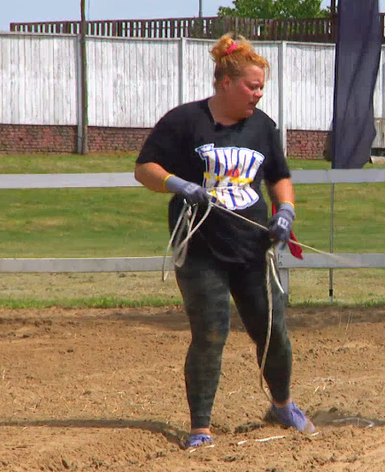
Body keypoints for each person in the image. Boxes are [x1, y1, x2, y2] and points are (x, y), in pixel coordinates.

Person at [134, 33, 315, 449]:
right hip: (200, 250)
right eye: (252, 86)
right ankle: (200, 427)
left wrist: (285, 211)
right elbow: (144, 168)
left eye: (261, 87)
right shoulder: (185, 122)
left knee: (273, 331)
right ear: (226, 83)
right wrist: (177, 184)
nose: (259, 93)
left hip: (253, 248)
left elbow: (279, 177)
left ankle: (282, 404)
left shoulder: (263, 127)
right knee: (211, 332)